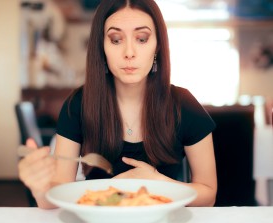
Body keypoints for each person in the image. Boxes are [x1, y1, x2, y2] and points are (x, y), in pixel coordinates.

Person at [18, 0, 217, 209]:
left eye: (141, 39)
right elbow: (57, 196)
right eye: (115, 40)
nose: (129, 52)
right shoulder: (78, 105)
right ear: (101, 47)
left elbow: (208, 193)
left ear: (157, 45)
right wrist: (40, 188)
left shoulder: (184, 105)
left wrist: (160, 183)